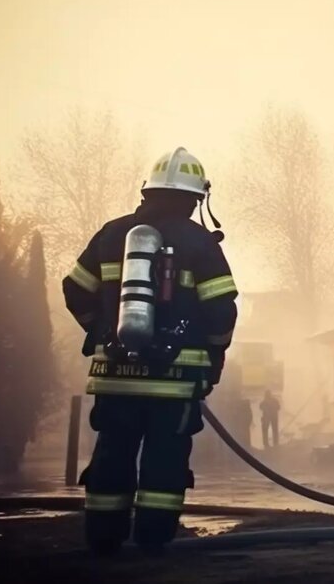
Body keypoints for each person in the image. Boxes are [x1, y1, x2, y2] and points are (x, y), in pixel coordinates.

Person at [63, 147, 237, 556]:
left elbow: (74, 289)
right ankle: (153, 542)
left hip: (116, 377)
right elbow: (221, 309)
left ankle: (103, 540)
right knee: (165, 458)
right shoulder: (199, 243)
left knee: (112, 451)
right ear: (197, 199)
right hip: (174, 383)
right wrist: (214, 357)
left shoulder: (111, 234)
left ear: (148, 190)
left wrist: (101, 329)